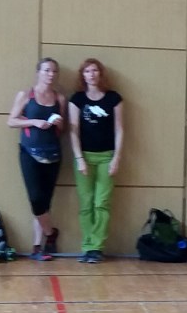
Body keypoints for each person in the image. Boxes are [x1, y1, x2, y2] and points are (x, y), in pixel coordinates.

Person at [8, 58, 66, 261]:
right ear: (38, 72)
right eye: (47, 70)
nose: (51, 74)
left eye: (54, 71)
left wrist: (58, 122)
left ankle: (37, 247)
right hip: (29, 152)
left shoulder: (59, 98)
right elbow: (11, 121)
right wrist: (34, 122)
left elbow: (63, 128)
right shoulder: (26, 95)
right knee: (35, 199)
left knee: (45, 202)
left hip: (53, 153)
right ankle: (50, 233)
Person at [68, 58, 124, 264]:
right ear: (82, 75)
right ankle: (88, 245)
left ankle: (97, 247)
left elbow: (119, 129)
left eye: (94, 70)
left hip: (106, 157)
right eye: (87, 71)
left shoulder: (113, 98)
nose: (91, 74)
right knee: (86, 204)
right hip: (84, 156)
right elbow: (73, 130)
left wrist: (116, 157)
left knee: (101, 203)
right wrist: (79, 158)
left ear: (100, 73)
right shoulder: (77, 99)